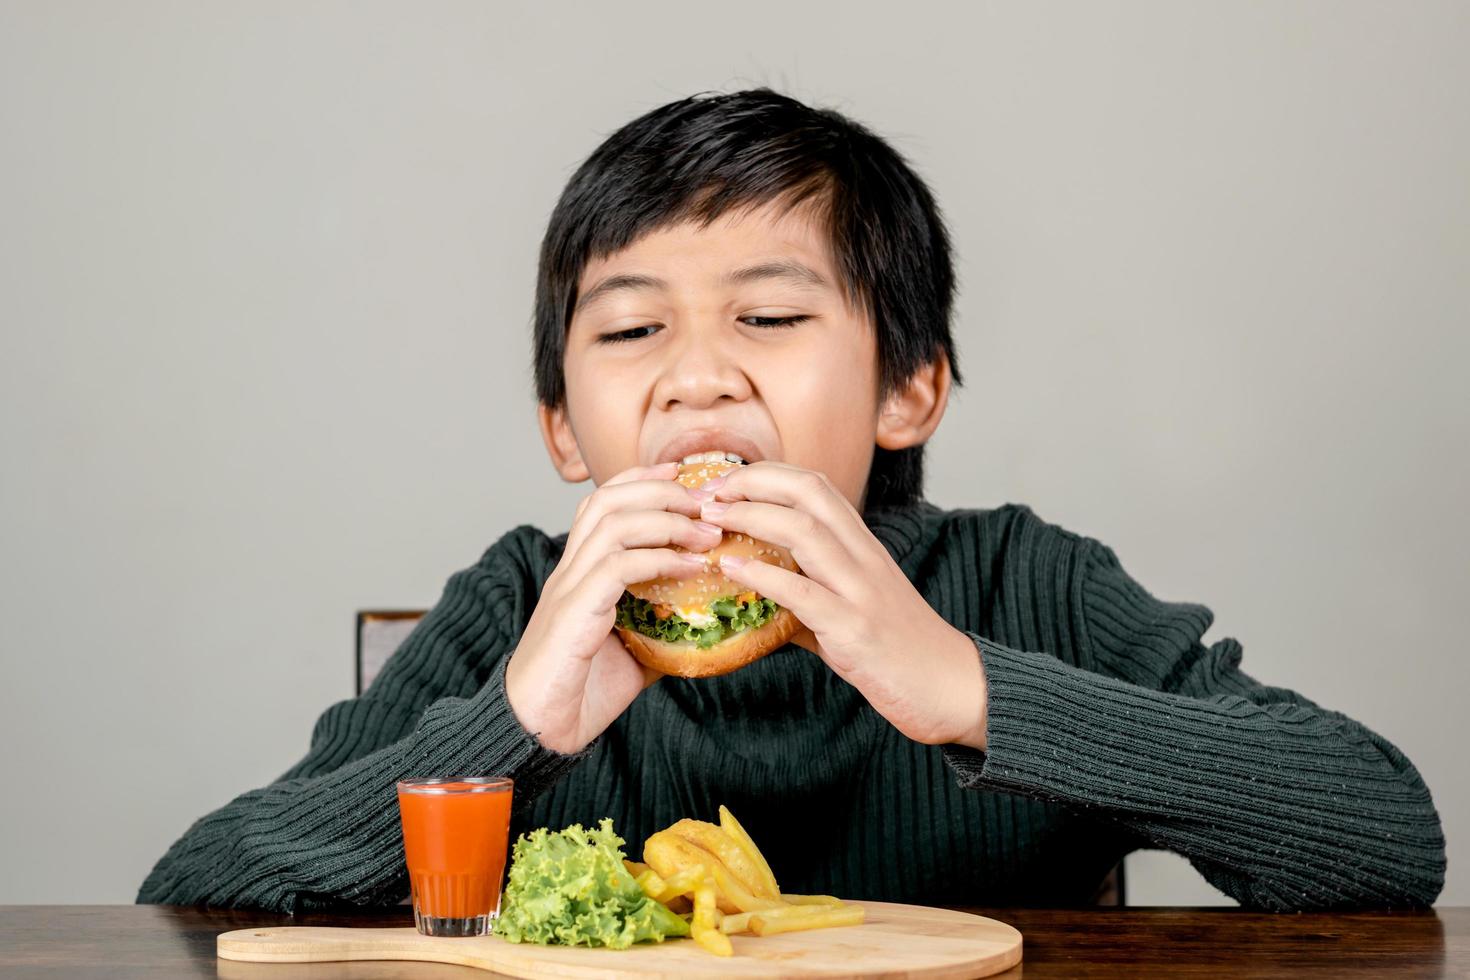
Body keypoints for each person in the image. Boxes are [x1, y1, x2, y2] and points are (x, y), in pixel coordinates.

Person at [137, 88, 1445, 913]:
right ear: (563, 434)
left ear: (908, 393)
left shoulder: (1025, 584)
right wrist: (517, 723)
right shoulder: (524, 606)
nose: (696, 376)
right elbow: (201, 892)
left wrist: (961, 684)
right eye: (631, 331)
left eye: (768, 315)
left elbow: (1384, 836)